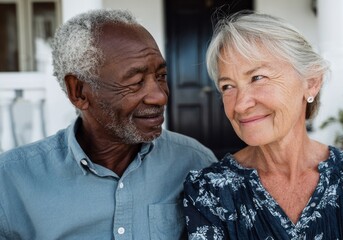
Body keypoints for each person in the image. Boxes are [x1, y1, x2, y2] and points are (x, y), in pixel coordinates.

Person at [183, 11, 343, 239]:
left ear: (311, 82)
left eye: (257, 78)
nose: (240, 105)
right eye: (227, 86)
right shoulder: (210, 191)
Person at [0, 9, 217, 239]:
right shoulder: (11, 180)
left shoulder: (195, 162)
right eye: (136, 82)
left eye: (161, 76)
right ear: (79, 92)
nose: (160, 96)